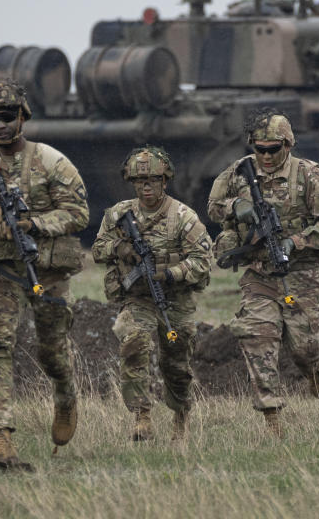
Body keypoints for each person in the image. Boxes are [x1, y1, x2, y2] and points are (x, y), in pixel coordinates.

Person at [0, 80, 88, 470]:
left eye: (7, 117)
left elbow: (78, 214)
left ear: (22, 117)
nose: (0, 125)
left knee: (51, 352)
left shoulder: (51, 161)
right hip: (4, 271)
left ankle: (66, 394)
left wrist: (34, 223)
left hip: (47, 270)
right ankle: (1, 437)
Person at [207, 108, 319, 436]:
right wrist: (235, 208)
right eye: (259, 149)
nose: (266, 156)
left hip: (302, 274)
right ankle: (272, 419)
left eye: (273, 149)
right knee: (256, 335)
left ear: (288, 145)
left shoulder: (309, 176)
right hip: (258, 272)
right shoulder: (238, 172)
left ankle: (313, 368)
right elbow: (213, 206)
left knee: (305, 346)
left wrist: (295, 242)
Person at [92, 146, 212, 441]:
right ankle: (141, 415)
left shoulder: (183, 217)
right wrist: (120, 248)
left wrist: (170, 273)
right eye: (139, 182)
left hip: (175, 301)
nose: (146, 188)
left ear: (165, 181)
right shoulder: (119, 214)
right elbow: (97, 249)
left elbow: (203, 260)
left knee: (176, 367)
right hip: (138, 298)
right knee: (133, 345)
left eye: (153, 181)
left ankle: (180, 414)